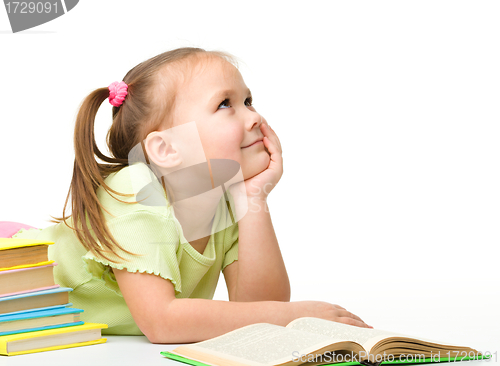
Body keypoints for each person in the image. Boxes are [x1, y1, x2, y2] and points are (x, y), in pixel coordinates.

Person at [1, 47, 372, 343]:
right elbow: (161, 323)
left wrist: (253, 198)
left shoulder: (224, 204)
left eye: (248, 101)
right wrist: (292, 316)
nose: (253, 116)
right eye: (225, 104)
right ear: (165, 150)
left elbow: (259, 307)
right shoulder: (135, 193)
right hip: (13, 270)